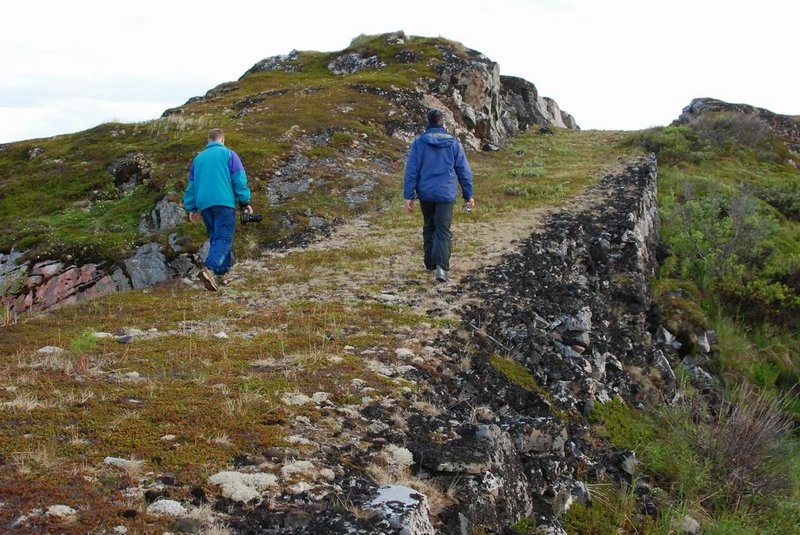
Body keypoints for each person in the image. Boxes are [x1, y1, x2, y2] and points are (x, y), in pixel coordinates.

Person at [403, 109, 475, 282]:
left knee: (429, 226)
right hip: (446, 193)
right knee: (443, 229)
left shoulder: (419, 143)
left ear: (428, 122)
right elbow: (464, 172)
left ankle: (430, 264)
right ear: (443, 122)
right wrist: (468, 195)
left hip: (426, 193)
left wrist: (409, 196)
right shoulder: (454, 144)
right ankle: (441, 267)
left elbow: (411, 171)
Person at [183, 128, 253, 291]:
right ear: (222, 140)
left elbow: (191, 186)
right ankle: (210, 269)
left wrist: (191, 208)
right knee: (224, 238)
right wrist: (244, 202)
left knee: (217, 237)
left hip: (204, 205)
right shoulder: (229, 154)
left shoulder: (198, 159)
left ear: (209, 140)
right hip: (224, 202)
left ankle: (223, 273)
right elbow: (239, 179)